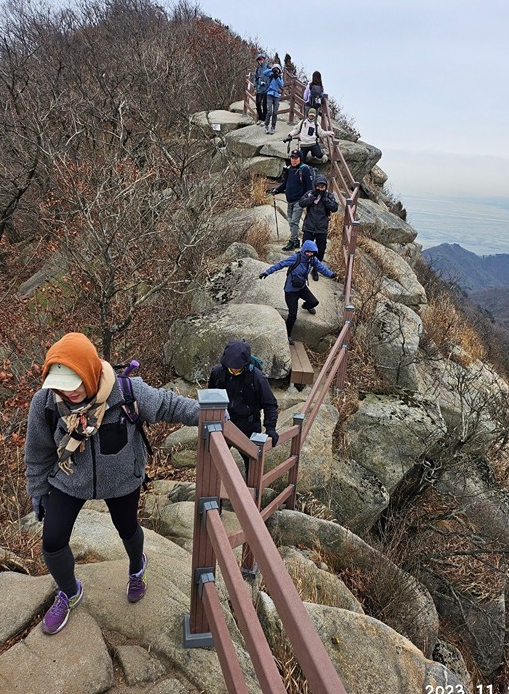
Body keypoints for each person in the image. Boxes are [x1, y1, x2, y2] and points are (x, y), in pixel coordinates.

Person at [25, 332, 200, 635]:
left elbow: (169, 405)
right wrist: (38, 489)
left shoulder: (127, 392)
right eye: (63, 387)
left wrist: (213, 415)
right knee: (52, 542)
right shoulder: (46, 403)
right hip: (69, 479)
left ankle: (137, 567)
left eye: (76, 383)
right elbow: (37, 451)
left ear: (90, 371)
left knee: (127, 529)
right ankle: (69, 591)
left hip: (121, 481)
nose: (71, 393)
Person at [208, 341, 279, 474]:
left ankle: (251, 493)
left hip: (249, 425)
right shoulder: (218, 373)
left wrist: (271, 428)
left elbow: (270, 403)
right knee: (214, 459)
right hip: (225, 424)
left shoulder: (257, 377)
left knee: (252, 463)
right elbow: (211, 397)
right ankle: (215, 491)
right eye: (232, 366)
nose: (234, 369)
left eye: (238, 367)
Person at [259, 240, 337, 344]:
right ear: (304, 250)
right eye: (308, 252)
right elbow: (281, 264)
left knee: (314, 302)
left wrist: (331, 274)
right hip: (291, 291)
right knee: (292, 315)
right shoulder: (296, 258)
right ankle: (287, 335)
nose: (310, 254)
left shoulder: (312, 259)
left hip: (302, 288)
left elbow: (321, 268)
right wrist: (267, 272)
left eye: (312, 252)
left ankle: (306, 306)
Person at [269, 149, 314, 251]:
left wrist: (306, 199)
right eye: (292, 158)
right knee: (290, 221)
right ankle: (296, 241)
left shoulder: (305, 169)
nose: (293, 160)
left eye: (296, 158)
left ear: (300, 159)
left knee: (294, 222)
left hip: (299, 200)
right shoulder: (290, 169)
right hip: (290, 200)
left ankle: (292, 241)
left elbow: (310, 187)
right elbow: (285, 184)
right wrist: (276, 190)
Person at [299, 174, 339, 281]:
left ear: (325, 187)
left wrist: (324, 199)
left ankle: (315, 269)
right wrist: (313, 196)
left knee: (320, 250)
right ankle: (303, 268)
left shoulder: (329, 196)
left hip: (321, 228)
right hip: (309, 226)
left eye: (323, 187)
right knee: (306, 248)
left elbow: (334, 207)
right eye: (318, 186)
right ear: (315, 186)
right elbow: (301, 203)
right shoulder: (310, 193)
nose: (320, 188)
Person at [264, 63, 284, 135]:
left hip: (276, 96)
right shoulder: (271, 75)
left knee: (275, 112)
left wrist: (277, 77)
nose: (276, 71)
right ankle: (266, 125)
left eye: (278, 69)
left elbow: (281, 85)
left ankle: (273, 127)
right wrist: (271, 69)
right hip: (269, 94)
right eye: (276, 69)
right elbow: (264, 73)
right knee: (269, 111)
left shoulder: (280, 77)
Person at [253, 53, 269, 124]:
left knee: (265, 104)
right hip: (259, 89)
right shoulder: (257, 69)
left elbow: (271, 77)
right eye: (259, 60)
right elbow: (255, 78)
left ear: (264, 60)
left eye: (261, 59)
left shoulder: (268, 68)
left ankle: (264, 119)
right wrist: (255, 87)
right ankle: (260, 117)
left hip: (266, 89)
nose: (260, 61)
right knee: (258, 103)